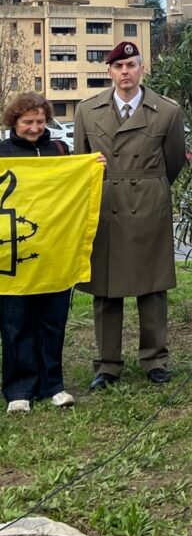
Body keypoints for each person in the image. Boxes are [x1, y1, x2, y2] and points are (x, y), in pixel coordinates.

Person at [74, 42, 186, 389]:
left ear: (142, 69)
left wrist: (149, 189)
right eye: (119, 66)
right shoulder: (87, 111)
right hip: (107, 206)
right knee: (106, 290)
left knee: (152, 288)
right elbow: (80, 161)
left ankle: (155, 360)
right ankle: (107, 364)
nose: (125, 72)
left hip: (148, 206)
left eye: (132, 65)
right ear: (109, 71)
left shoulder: (167, 111)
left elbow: (174, 161)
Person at [0, 92, 97, 412]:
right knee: (15, 324)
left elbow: (74, 184)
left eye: (40, 121)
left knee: (53, 322)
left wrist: (91, 168)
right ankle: (19, 389)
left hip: (55, 253)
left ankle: (52, 384)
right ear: (14, 121)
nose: (34, 128)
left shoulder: (59, 150)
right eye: (28, 122)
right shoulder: (3, 153)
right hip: (14, 258)